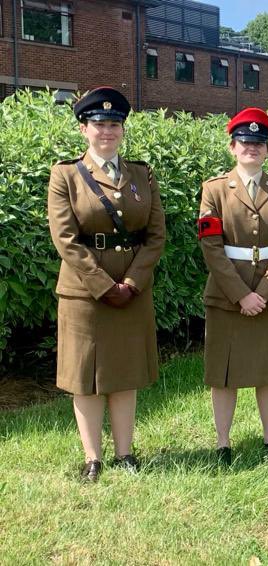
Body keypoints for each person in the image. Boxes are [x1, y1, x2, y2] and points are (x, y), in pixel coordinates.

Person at [47, 87, 166, 481]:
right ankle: (93, 457)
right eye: (99, 124)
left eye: (114, 124)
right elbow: (65, 239)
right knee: (87, 375)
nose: (107, 131)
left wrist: (132, 281)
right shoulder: (65, 175)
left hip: (133, 287)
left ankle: (126, 454)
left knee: (125, 370)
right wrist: (104, 286)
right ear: (84, 129)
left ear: (122, 129)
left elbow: (156, 235)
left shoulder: (142, 174)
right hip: (85, 291)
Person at [197, 107, 268, 464]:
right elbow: (211, 247)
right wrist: (242, 294)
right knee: (223, 373)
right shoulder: (213, 190)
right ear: (232, 147)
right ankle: (223, 443)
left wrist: (265, 293)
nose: (251, 148)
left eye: (259, 143)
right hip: (227, 295)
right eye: (244, 142)